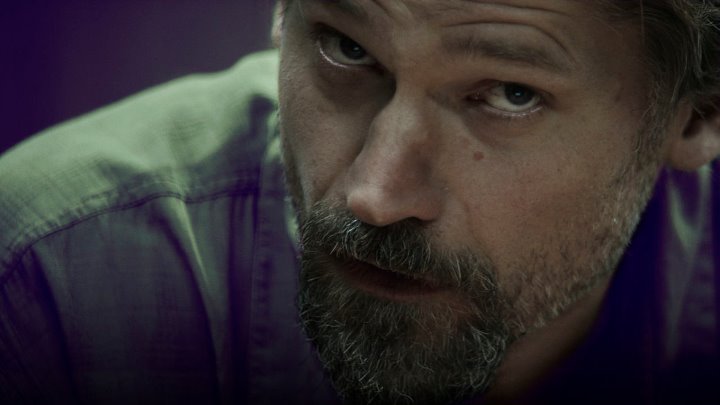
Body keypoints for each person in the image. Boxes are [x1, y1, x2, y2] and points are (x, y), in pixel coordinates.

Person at [1, 0, 719, 404]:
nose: (375, 194)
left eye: (510, 94)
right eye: (346, 49)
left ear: (698, 116)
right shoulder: (47, 287)